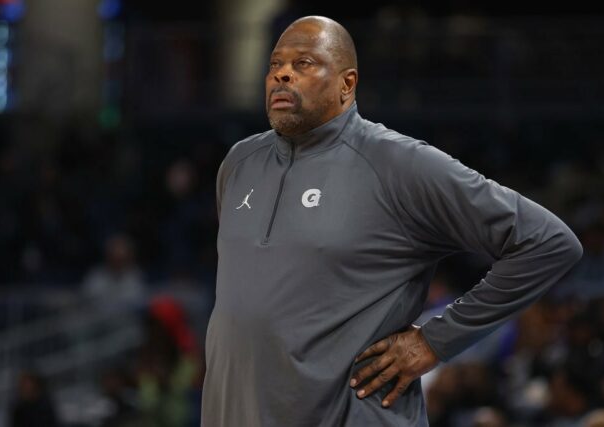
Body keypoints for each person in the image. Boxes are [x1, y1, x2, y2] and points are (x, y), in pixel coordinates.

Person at [201, 16, 583, 426]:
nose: (282, 74)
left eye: (304, 63)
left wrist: (436, 340)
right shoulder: (239, 163)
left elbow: (548, 242)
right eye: (276, 64)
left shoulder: (397, 163)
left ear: (347, 84)